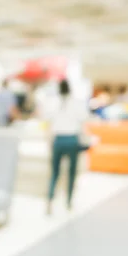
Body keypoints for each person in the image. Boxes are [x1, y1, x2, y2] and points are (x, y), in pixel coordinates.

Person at [44, 79, 89, 215]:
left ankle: (50, 201)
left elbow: (48, 123)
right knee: (71, 173)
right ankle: (68, 201)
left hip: (58, 140)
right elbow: (84, 119)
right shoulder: (76, 103)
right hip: (72, 140)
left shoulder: (53, 103)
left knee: (55, 173)